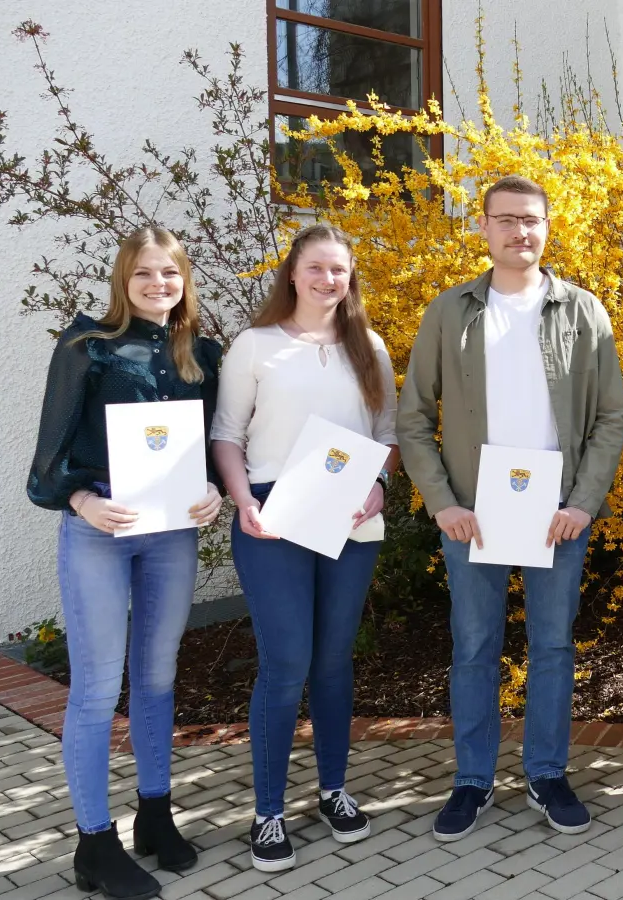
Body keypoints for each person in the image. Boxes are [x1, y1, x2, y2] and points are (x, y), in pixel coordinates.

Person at [398, 175, 623, 841]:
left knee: (553, 645)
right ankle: (471, 780)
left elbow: (611, 416)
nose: (518, 232)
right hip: (474, 512)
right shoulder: (450, 312)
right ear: (484, 228)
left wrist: (584, 503)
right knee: (474, 645)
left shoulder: (583, 311)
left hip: (557, 512)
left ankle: (547, 773)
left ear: (547, 228)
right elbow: (413, 419)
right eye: (505, 220)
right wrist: (442, 504)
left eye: (530, 220)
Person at [27, 226, 222, 900]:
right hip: (101, 531)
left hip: (171, 535)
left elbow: (209, 448)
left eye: (169, 272)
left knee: (158, 678)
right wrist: (80, 500)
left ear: (183, 278)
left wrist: (214, 492)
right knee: (95, 689)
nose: (157, 284)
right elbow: (48, 454)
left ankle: (156, 815)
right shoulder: (87, 346)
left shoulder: (202, 352)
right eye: (144, 274)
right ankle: (94, 844)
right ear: (123, 280)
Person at [210, 224, 398, 872]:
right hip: (272, 515)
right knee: (286, 662)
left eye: (339, 271)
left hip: (348, 517)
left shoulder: (367, 347)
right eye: (316, 268)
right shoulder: (255, 346)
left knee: (333, 662)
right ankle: (268, 813)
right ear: (293, 273)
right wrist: (243, 500)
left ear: (350, 280)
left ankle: (333, 792)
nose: (327, 280)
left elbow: (387, 436)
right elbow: (227, 435)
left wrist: (378, 486)